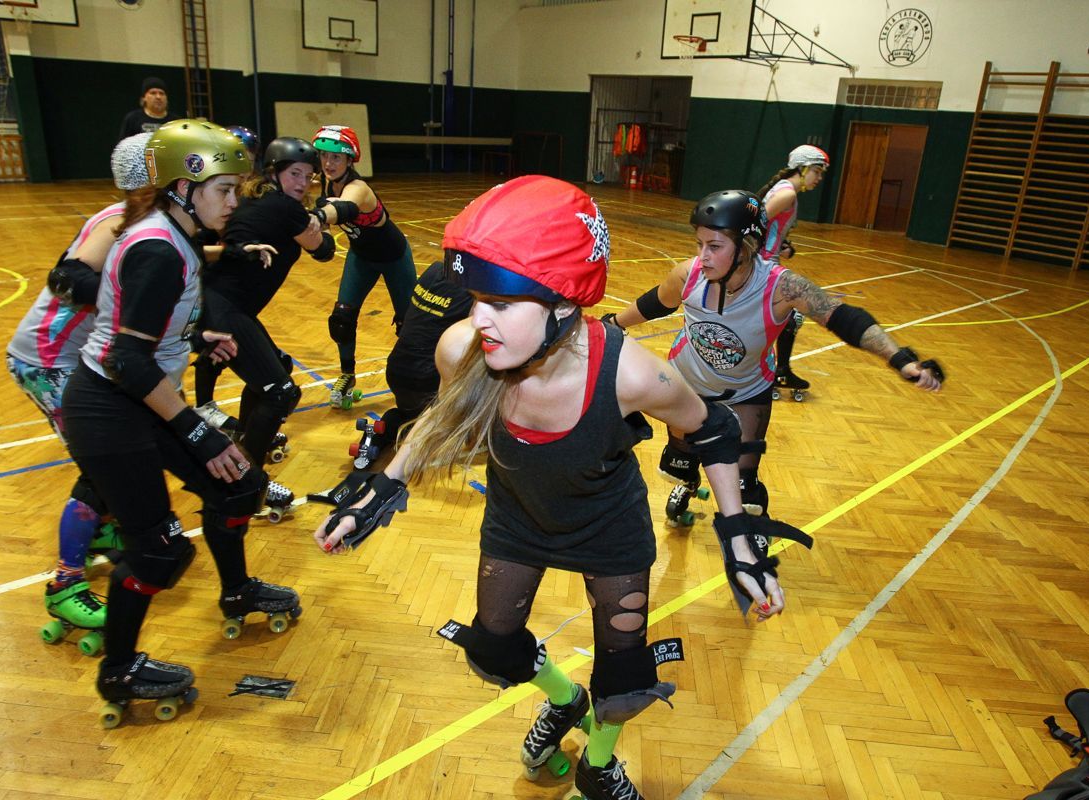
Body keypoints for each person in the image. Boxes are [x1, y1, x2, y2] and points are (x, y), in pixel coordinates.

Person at [314, 176, 810, 800]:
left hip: (610, 532)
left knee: (625, 678)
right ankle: (564, 699)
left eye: (500, 303)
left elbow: (712, 429)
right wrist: (381, 486)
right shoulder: (464, 347)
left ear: (562, 302)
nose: (478, 320)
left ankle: (599, 764)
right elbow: (444, 415)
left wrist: (738, 536)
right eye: (474, 299)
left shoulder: (632, 373)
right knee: (495, 650)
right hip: (517, 519)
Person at [61, 119, 300, 722]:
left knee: (240, 484)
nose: (233, 201)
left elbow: (143, 325)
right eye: (223, 189)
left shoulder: (178, 231)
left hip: (139, 395)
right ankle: (118, 670)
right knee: (159, 551)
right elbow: (124, 358)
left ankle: (237, 591)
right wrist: (196, 428)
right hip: (112, 409)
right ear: (181, 188)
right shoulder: (157, 247)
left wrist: (198, 335)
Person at [606, 189, 943, 529]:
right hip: (686, 385)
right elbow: (655, 303)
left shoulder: (781, 288)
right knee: (681, 460)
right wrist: (614, 323)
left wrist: (900, 358)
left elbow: (844, 318)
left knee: (743, 486)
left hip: (746, 391)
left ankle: (752, 533)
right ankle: (689, 484)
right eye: (699, 244)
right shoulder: (688, 274)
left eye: (715, 246)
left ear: (746, 246)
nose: (703, 256)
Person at [6, 132, 151, 651]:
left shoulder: (142, 222)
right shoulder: (118, 221)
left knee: (123, 449)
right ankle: (65, 583)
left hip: (73, 358)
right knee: (101, 465)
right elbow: (68, 278)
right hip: (50, 360)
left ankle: (104, 529)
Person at [192, 136, 332, 515]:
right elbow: (323, 251)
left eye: (309, 176)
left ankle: (245, 440)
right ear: (274, 173)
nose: (303, 183)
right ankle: (245, 481)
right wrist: (319, 221)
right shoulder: (285, 208)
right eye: (295, 174)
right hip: (226, 310)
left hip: (225, 305)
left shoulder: (257, 199)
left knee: (275, 375)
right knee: (281, 392)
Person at [310, 124, 417, 409]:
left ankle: (417, 381)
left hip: (395, 258)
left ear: (349, 160)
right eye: (324, 156)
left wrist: (317, 217)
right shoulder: (326, 181)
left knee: (410, 326)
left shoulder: (358, 188)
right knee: (342, 319)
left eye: (336, 158)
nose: (328, 163)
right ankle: (347, 375)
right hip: (361, 257)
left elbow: (343, 208)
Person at [348, 259, 473, 469]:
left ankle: (384, 431)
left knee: (408, 413)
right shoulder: (475, 287)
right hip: (427, 379)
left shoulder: (434, 270)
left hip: (398, 368)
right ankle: (410, 431)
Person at [756, 145, 831, 399]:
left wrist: (783, 245)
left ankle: (775, 369)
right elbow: (756, 223)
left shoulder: (786, 191)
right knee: (792, 316)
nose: (819, 178)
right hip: (764, 265)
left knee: (784, 317)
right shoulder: (787, 193)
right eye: (817, 172)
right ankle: (779, 371)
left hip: (767, 262)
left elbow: (767, 226)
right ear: (803, 168)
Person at [116, 77, 179, 141]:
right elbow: (123, 146)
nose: (158, 97)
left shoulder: (176, 121)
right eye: (153, 93)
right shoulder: (133, 119)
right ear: (144, 98)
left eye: (161, 93)